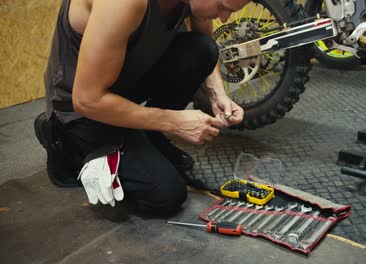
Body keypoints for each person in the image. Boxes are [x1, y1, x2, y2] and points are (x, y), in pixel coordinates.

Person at [34, 0, 250, 213]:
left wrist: (217, 94)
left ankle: (151, 137)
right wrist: (173, 122)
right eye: (223, 7)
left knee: (203, 50)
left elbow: (203, 35)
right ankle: (63, 140)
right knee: (165, 195)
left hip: (120, 86)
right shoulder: (123, 3)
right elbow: (87, 100)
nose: (224, 17)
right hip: (80, 106)